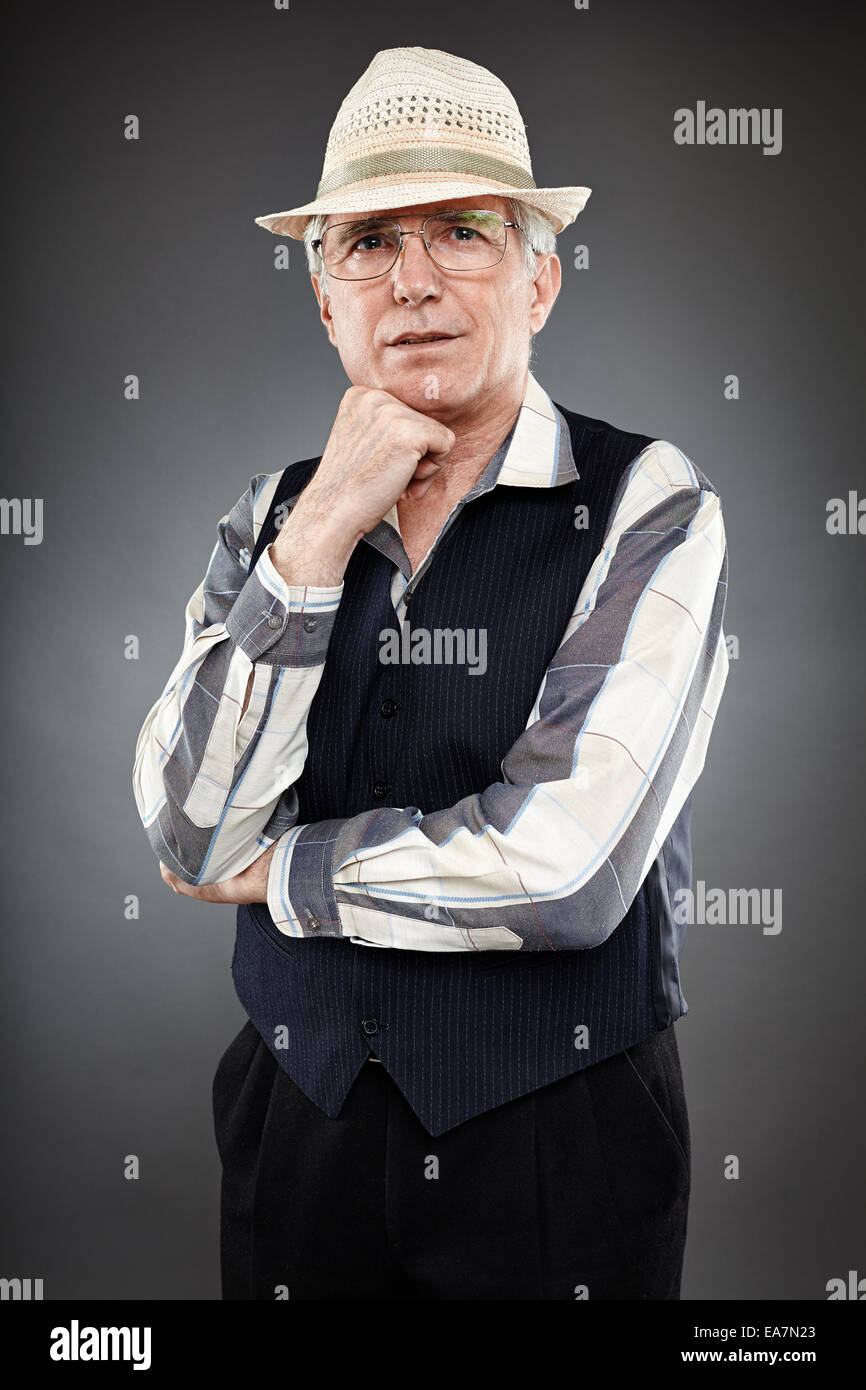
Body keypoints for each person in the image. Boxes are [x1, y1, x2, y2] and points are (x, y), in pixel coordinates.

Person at [132, 45, 730, 1300]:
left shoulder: (648, 503)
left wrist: (287, 871)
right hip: (295, 1127)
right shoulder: (267, 516)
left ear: (539, 279)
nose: (411, 282)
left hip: (562, 1146)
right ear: (323, 299)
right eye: (365, 243)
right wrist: (316, 536)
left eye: (461, 230)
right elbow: (190, 833)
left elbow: (564, 866)